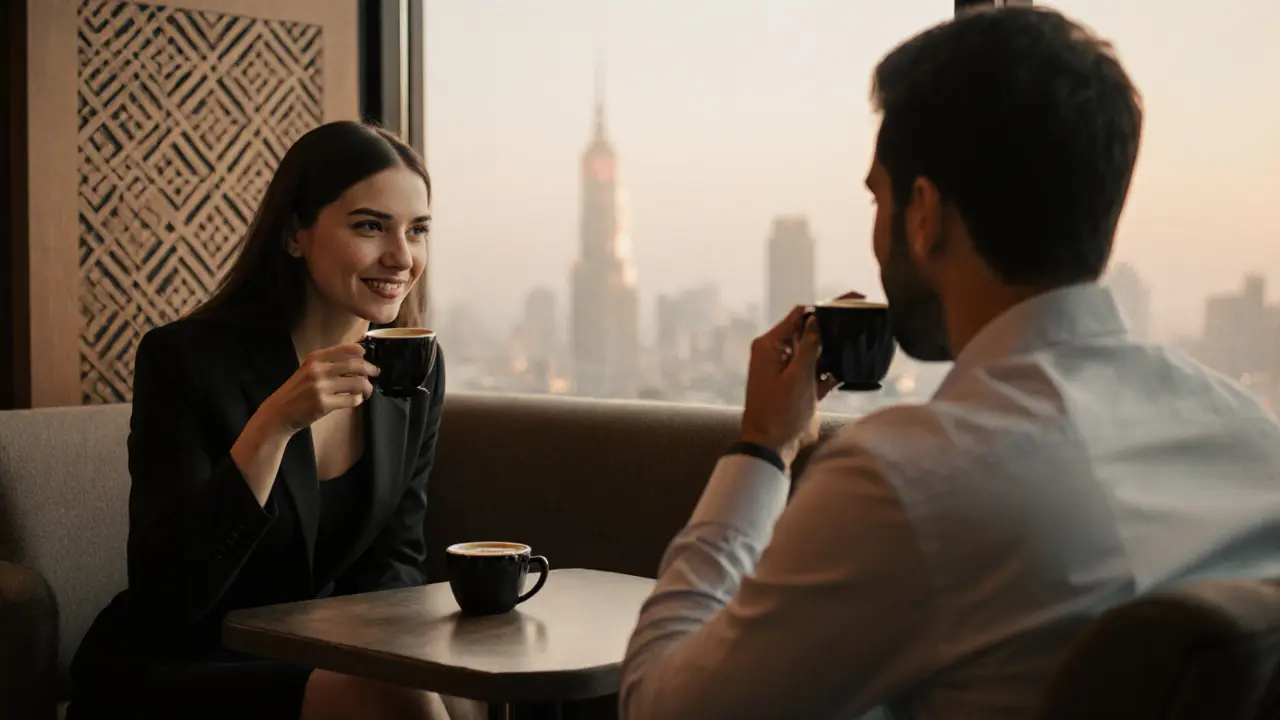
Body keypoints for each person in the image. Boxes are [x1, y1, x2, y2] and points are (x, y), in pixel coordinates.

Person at [621, 7, 1280, 720]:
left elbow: (663, 708)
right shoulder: (1251, 439)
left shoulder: (910, 484)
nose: (876, 232)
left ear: (924, 213)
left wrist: (759, 450)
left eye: (879, 196)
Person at [68, 121, 476, 719]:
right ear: (294, 235)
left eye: (417, 230)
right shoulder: (185, 359)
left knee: (460, 696)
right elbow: (169, 594)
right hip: (184, 660)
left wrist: (397, 656)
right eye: (370, 226)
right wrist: (273, 426)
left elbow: (396, 561)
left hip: (318, 652)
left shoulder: (414, 365)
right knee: (399, 703)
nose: (401, 256)